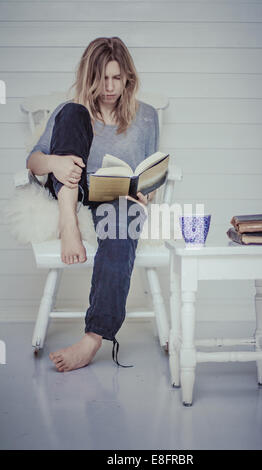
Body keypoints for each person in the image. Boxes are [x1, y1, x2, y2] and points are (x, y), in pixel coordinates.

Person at [26, 37, 159, 372]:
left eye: (117, 78)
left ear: (128, 77)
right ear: (90, 77)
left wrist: (144, 195)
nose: (110, 87)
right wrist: (55, 164)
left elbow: (149, 171)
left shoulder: (146, 117)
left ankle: (93, 338)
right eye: (102, 78)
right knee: (74, 112)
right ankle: (67, 221)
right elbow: (34, 161)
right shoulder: (70, 111)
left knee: (124, 217)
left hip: (116, 197)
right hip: (73, 193)